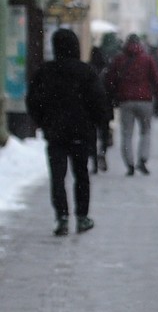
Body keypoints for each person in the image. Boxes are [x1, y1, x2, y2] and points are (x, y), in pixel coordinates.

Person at [26, 27, 111, 236]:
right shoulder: (86, 72)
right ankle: (82, 217)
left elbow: (33, 101)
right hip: (81, 133)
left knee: (58, 176)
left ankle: (62, 217)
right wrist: (101, 126)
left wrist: (43, 122)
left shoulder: (45, 72)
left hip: (55, 133)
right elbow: (99, 101)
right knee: (81, 174)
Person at [105, 33, 158, 176]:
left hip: (126, 101)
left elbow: (110, 80)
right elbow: (156, 81)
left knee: (127, 134)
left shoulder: (119, 59)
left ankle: (129, 164)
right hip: (145, 100)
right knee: (145, 132)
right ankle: (142, 159)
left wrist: (113, 97)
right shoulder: (147, 59)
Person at [87, 42, 114, 173]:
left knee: (92, 134)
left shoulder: (87, 69)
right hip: (105, 106)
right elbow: (112, 88)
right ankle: (102, 152)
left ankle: (93, 159)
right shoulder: (107, 70)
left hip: (90, 107)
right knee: (104, 132)